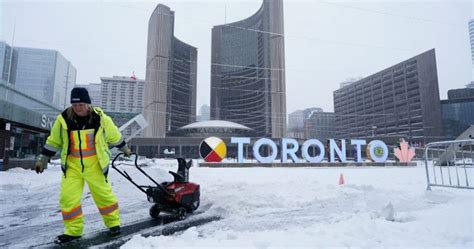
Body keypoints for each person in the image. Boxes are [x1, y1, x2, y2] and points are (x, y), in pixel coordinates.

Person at [34, 87, 132, 244]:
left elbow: (114, 136)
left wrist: (124, 148)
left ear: (88, 104)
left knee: (104, 196)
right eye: (75, 105)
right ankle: (73, 232)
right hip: (72, 167)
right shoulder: (64, 119)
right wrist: (43, 158)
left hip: (95, 165)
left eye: (81, 105)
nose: (78, 108)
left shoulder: (100, 119)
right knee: (68, 199)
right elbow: (53, 141)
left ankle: (114, 224)